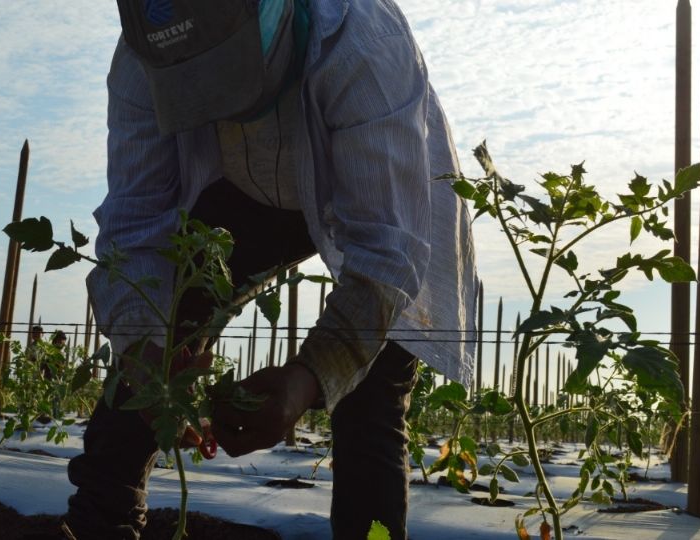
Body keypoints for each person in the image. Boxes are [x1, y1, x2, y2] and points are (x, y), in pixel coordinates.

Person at [65, 1, 477, 539]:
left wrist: (308, 379)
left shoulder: (362, 42)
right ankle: (101, 525)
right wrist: (144, 352)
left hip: (379, 194)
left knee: (370, 396)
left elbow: (384, 254)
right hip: (242, 184)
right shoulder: (147, 49)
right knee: (165, 325)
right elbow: (135, 222)